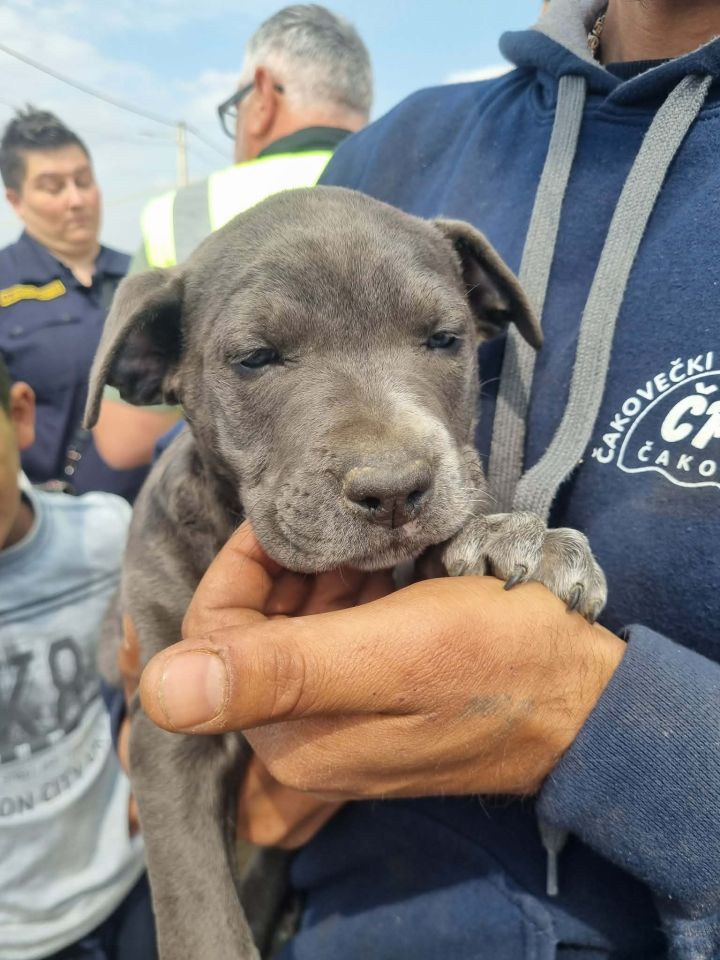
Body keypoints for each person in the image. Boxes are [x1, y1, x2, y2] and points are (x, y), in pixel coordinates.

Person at [131, 1, 720, 958]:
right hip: (345, 918)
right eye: (261, 357)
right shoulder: (393, 151)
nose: (393, 457)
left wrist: (598, 717)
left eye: (442, 340)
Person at [93, 3, 373, 471]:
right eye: (257, 358)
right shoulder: (427, 188)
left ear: (261, 96)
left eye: (234, 109)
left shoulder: (182, 214)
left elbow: (124, 442)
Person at [0, 352, 156, 960]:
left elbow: (141, 663)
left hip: (127, 879)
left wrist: (147, 762)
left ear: (20, 416)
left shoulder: (102, 537)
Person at [0, 109, 146, 501]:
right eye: (53, 187)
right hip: (54, 525)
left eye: (83, 181)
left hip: (155, 514)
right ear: (16, 200)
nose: (76, 199)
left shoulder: (143, 273)